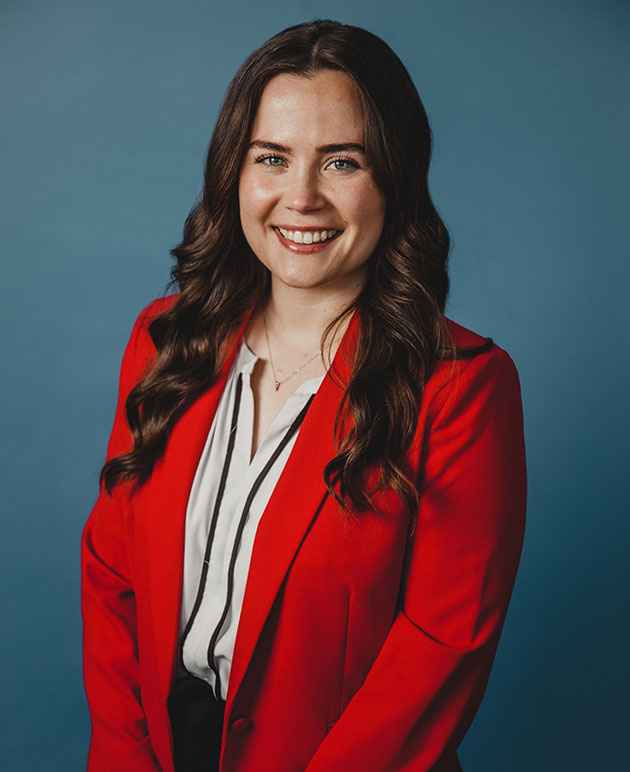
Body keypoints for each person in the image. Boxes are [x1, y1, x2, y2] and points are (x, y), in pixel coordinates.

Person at [80, 18, 527, 772]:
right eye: (273, 158)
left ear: (394, 176)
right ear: (236, 172)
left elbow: (442, 649)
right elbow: (111, 573)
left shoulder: (462, 389)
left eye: (342, 161)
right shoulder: (165, 342)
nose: (301, 197)